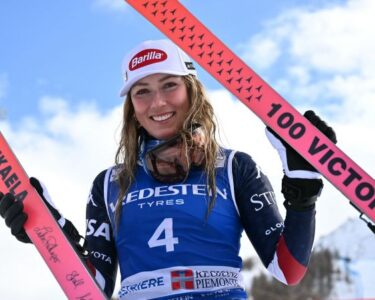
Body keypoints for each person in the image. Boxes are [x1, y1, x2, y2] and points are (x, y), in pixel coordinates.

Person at [0, 39, 337, 299]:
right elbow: (94, 288)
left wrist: (302, 185)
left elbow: (288, 269)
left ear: (192, 91)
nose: (157, 103)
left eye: (169, 85)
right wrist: (51, 235)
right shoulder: (110, 183)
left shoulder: (233, 167)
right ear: (131, 107)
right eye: (142, 92)